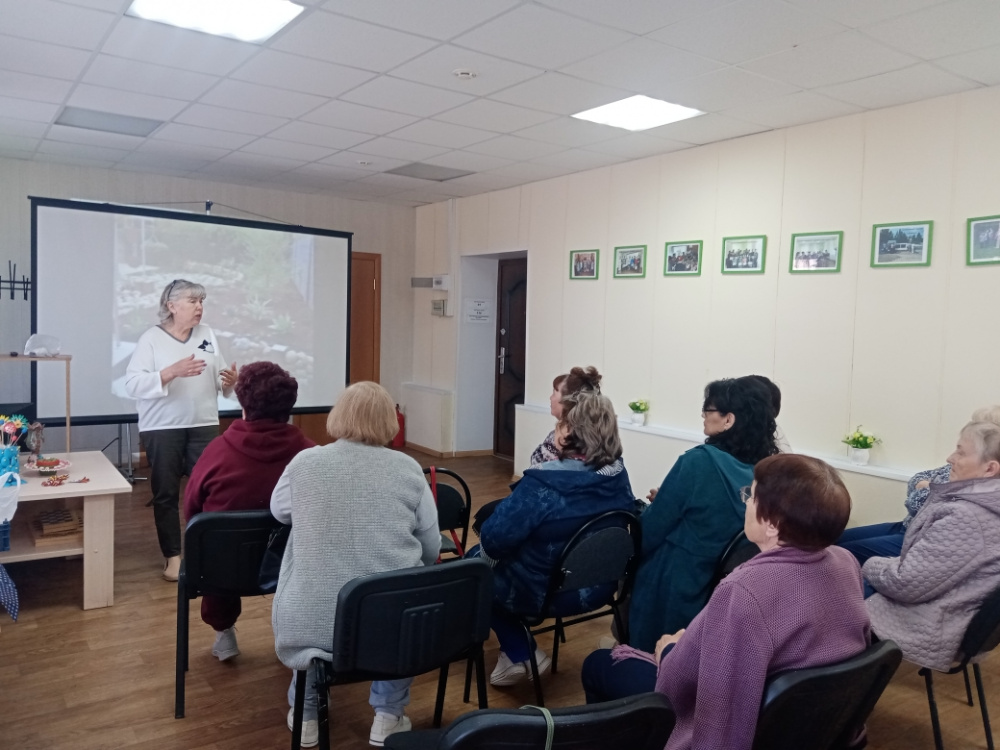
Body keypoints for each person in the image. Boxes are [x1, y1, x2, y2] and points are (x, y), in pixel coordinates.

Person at [581, 454, 870, 750]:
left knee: (598, 665)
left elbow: (719, 698)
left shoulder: (744, 590)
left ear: (773, 523)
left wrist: (669, 651)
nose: (746, 503)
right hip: (809, 723)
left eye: (751, 496)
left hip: (752, 723)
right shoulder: (844, 562)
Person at [270, 382, 439, 748]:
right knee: (402, 614)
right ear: (389, 421)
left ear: (338, 415)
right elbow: (431, 546)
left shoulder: (305, 462)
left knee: (313, 624)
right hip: (387, 617)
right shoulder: (409, 469)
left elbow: (279, 511)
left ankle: (307, 715)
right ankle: (388, 717)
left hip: (311, 616)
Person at [473, 390, 635, 686]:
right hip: (600, 586)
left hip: (545, 594)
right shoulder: (618, 476)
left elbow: (494, 540)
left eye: (560, 424)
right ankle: (516, 652)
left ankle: (520, 652)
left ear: (568, 433)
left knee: (473, 570)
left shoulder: (543, 483)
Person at [630, 377, 778, 652]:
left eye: (708, 409)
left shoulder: (697, 462)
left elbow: (651, 530)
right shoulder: (767, 469)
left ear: (728, 420)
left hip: (676, 580)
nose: (703, 415)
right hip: (724, 586)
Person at [183, 361, 314, 662]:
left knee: (215, 544)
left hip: (224, 570)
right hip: (292, 565)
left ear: (243, 403)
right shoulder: (310, 454)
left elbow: (192, 511)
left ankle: (223, 633)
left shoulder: (216, 452)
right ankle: (294, 636)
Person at [125, 279, 237, 581]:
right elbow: (132, 384)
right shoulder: (151, 338)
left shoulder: (207, 334)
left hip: (204, 423)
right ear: (171, 305)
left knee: (210, 490)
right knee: (166, 493)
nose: (199, 307)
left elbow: (220, 379)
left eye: (202, 301)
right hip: (162, 427)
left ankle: (205, 552)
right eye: (192, 301)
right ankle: (173, 557)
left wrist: (230, 382)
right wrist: (170, 372)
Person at [865, 421, 1000, 671]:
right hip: (948, 611)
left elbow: (905, 583)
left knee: (830, 594)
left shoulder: (967, 517)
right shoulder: (983, 508)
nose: (950, 458)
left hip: (931, 621)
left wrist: (868, 565)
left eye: (960, 452)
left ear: (990, 468)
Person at [839, 405, 1000, 566]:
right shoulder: (960, 465)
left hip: (919, 538)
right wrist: (926, 487)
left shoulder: (975, 487)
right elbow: (916, 480)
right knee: (836, 538)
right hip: (908, 526)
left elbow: (917, 505)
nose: (971, 429)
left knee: (840, 552)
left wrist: (926, 487)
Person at [529, 366, 602, 467]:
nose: (550, 398)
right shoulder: (597, 432)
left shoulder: (564, 435)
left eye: (554, 393)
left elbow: (536, 464)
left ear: (567, 402)